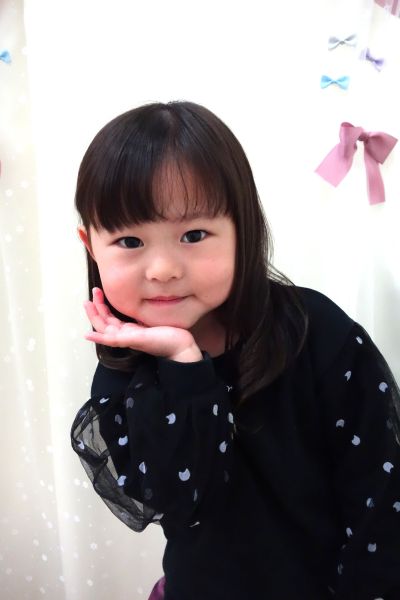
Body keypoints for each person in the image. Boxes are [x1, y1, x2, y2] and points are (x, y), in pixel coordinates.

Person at [71, 101, 400, 600]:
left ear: (241, 229)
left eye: (194, 235)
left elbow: (382, 495)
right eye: (130, 241)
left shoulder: (314, 332)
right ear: (91, 245)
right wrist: (183, 364)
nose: (162, 269)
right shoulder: (125, 371)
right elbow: (179, 500)